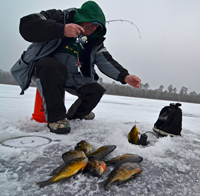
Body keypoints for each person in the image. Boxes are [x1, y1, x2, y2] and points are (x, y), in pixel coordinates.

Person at [11, 1, 141, 134]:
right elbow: (27, 24)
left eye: (97, 26)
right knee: (51, 66)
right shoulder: (58, 17)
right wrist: (60, 29)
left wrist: (125, 76)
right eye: (91, 24)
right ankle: (56, 118)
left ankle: (75, 115)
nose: (94, 29)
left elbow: (105, 60)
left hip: (69, 75)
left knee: (95, 90)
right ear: (81, 18)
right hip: (44, 70)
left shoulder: (91, 39)